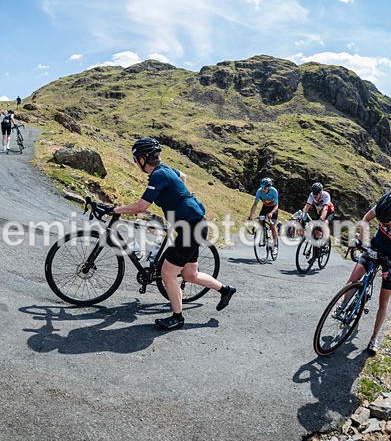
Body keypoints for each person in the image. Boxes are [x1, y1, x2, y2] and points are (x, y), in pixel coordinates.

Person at [109, 138, 236, 330]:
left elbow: (141, 206)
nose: (136, 163)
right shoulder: (165, 169)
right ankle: (225, 290)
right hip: (195, 224)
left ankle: (177, 318)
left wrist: (115, 210)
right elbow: (182, 176)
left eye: (136, 159)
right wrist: (178, 200)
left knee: (167, 273)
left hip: (190, 229)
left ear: (143, 159)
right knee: (190, 275)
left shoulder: (159, 175)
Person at [343, 191, 391, 354]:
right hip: (375, 246)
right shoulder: (382, 208)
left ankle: (374, 338)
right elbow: (366, 218)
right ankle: (342, 307)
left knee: (383, 302)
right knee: (352, 279)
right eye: (382, 223)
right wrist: (361, 239)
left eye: (387, 223)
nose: (384, 225)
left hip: (390, 258)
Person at [247, 177, 279, 257]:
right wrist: (250, 216)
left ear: (269, 187)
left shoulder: (274, 191)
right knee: (260, 221)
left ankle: (275, 246)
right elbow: (255, 204)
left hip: (273, 208)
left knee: (273, 226)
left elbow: (277, 205)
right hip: (265, 207)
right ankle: (263, 236)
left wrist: (271, 213)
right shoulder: (259, 191)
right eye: (262, 188)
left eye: (265, 188)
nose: (263, 190)